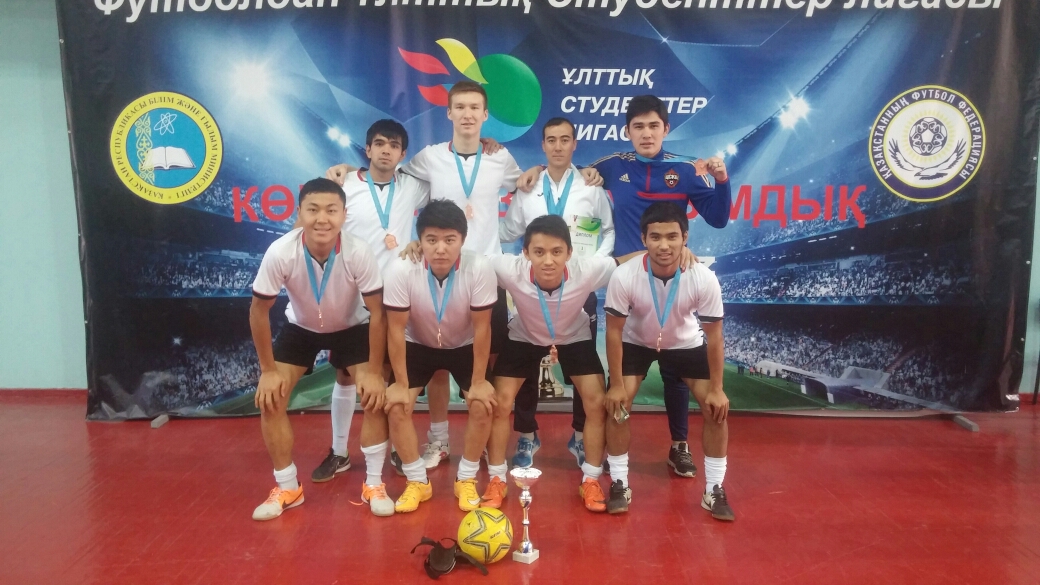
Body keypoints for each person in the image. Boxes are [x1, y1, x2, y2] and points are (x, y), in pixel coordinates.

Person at [517, 95, 731, 479]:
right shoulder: (614, 165)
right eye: (638, 127)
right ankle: (602, 455)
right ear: (627, 131)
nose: (646, 134)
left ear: (666, 129)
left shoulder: (685, 169)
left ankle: (679, 445)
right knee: (613, 366)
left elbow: (718, 218)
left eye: (654, 126)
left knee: (676, 368)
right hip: (625, 278)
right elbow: (568, 169)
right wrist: (536, 168)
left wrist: (722, 181)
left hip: (670, 271)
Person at [328, 81, 525, 471]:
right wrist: (349, 171)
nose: (467, 114)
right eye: (460, 107)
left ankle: (487, 441)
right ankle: (437, 440)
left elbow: (525, 183)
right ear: (448, 113)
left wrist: (532, 170)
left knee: (487, 366)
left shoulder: (500, 157)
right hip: (432, 274)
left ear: (485, 115)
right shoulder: (429, 158)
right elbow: (386, 171)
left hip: (484, 276)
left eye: (475, 107)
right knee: (432, 361)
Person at [248, 178, 386, 521]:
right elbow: (258, 311)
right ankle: (288, 487)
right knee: (271, 399)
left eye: (331, 210)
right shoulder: (281, 251)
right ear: (299, 212)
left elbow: (379, 313)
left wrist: (374, 372)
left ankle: (374, 484)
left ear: (344, 215)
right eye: (313, 210)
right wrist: (267, 371)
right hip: (301, 329)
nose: (322, 218)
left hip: (352, 328)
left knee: (373, 396)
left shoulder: (358, 251)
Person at [310, 119, 430, 484]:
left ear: (403, 153)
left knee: (390, 375)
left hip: (395, 295)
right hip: (352, 292)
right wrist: (345, 171)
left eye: (393, 145)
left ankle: (395, 447)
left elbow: (450, 189)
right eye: (379, 143)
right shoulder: (344, 184)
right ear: (367, 149)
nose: (386, 150)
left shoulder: (413, 186)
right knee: (346, 374)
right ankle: (339, 451)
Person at [603, 202, 735, 521]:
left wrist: (717, 389)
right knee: (618, 406)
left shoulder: (703, 277)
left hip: (684, 343)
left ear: (685, 238)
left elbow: (715, 336)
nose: (664, 245)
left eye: (672, 237)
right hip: (637, 341)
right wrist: (617, 385)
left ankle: (714, 488)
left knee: (716, 410)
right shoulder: (624, 276)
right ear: (644, 239)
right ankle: (619, 481)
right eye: (656, 237)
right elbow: (614, 332)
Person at [499, 117, 615, 469]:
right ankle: (526, 433)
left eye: (565, 139)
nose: (559, 146)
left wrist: (589, 266)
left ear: (575, 144)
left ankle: (580, 435)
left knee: (582, 366)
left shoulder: (591, 187)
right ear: (543, 145)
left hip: (578, 285)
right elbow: (507, 231)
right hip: (533, 287)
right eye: (552, 140)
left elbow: (609, 232)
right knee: (525, 365)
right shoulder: (528, 187)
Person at [486, 215, 621, 512]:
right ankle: (496, 478)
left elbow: (626, 262)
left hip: (574, 336)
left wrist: (683, 255)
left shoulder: (587, 270)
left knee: (596, 402)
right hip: (524, 335)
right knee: (499, 402)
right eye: (539, 252)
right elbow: (465, 259)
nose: (548, 261)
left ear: (570, 253)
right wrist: (417, 248)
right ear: (525, 253)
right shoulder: (509, 269)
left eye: (557, 252)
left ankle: (591, 479)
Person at [381, 200, 499, 513]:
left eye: (450, 240)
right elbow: (395, 330)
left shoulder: (479, 268)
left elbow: (483, 328)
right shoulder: (400, 269)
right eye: (431, 240)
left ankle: (466, 478)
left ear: (463, 239)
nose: (441, 249)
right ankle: (417, 481)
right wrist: (400, 385)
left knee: (483, 403)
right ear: (420, 240)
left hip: (464, 344)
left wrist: (478, 382)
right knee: (396, 406)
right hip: (417, 344)